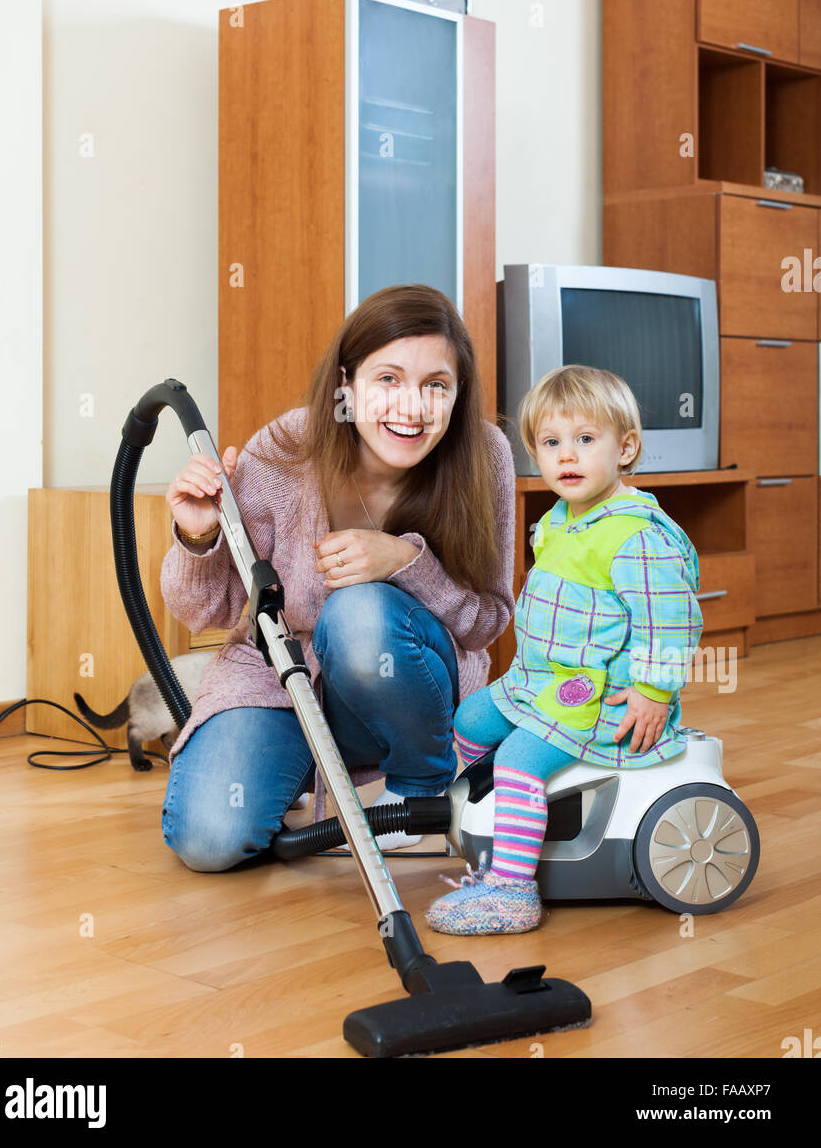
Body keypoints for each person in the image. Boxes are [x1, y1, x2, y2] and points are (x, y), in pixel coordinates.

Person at [159, 283, 516, 870]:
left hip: (412, 695)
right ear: (347, 385)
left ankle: (417, 792)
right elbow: (210, 610)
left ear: (458, 395)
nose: (413, 407)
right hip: (281, 683)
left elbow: (487, 623)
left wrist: (406, 563)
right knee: (208, 840)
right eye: (388, 380)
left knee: (357, 611)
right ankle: (298, 768)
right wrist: (200, 535)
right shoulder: (288, 447)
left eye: (436, 386)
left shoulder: (485, 456)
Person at [425, 363, 704, 936]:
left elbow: (670, 624)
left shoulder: (636, 535)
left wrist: (652, 692)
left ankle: (512, 891)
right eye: (551, 443)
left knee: (519, 759)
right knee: (471, 718)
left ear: (626, 448)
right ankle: (499, 820)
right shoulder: (560, 520)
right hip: (542, 680)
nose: (567, 457)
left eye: (585, 440)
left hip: (597, 696)